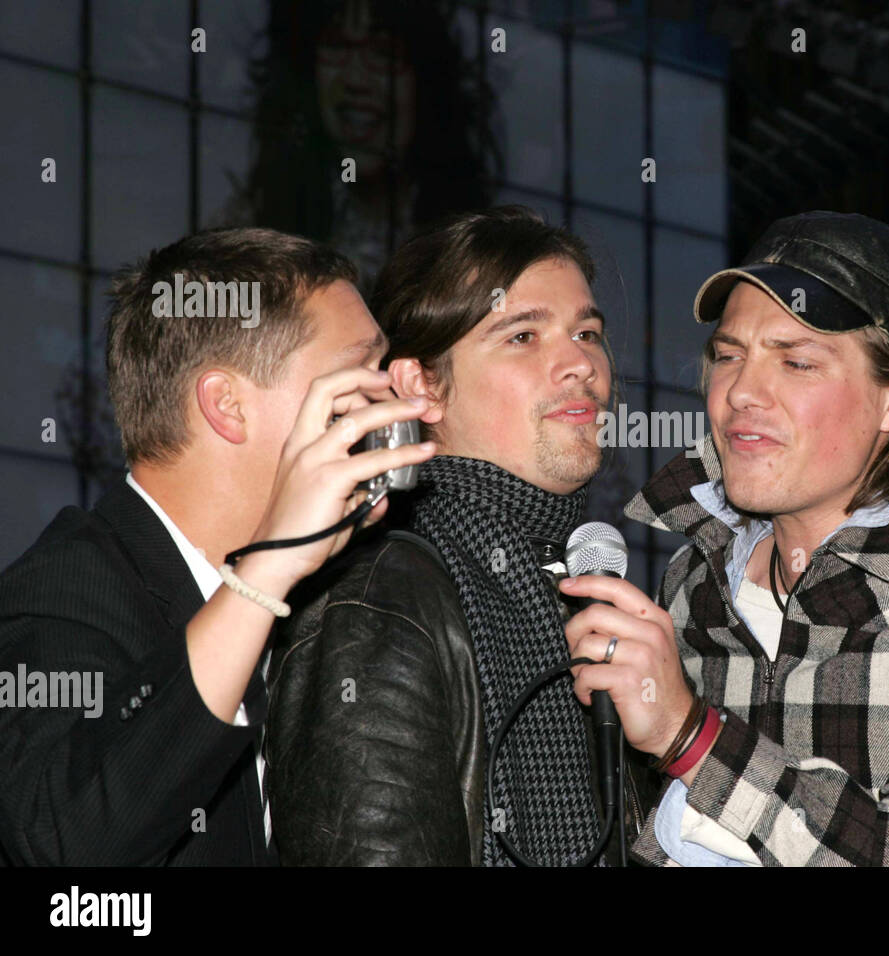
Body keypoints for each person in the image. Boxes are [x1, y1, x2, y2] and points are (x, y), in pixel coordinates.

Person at [560, 211, 889, 866]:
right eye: (729, 356)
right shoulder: (690, 581)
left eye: (797, 362)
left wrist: (691, 735)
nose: (741, 392)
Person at [0, 227, 436, 865]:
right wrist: (265, 571)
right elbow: (67, 846)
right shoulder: (66, 587)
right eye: (359, 372)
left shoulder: (321, 596)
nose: (393, 402)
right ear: (227, 404)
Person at [266, 206, 649, 866]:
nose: (579, 364)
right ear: (421, 389)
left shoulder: (584, 586)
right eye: (523, 337)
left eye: (587, 332)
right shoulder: (384, 596)